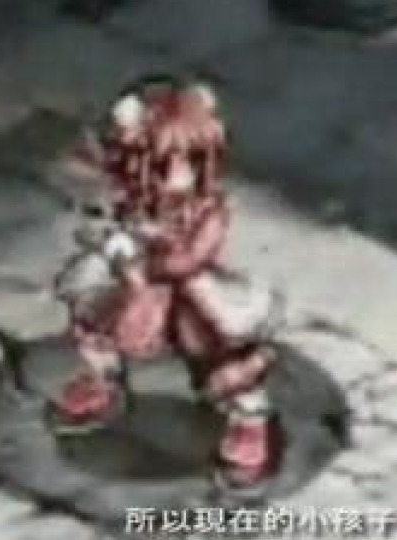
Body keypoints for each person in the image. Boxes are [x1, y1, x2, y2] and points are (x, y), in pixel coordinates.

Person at [53, 75, 285, 491]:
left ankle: (249, 421)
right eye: (159, 165)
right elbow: (97, 216)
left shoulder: (210, 211)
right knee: (97, 319)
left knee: (220, 351)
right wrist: (113, 239)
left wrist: (142, 260)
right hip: (138, 288)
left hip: (190, 290)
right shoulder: (132, 200)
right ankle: (101, 380)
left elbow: (189, 259)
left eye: (190, 160)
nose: (176, 176)